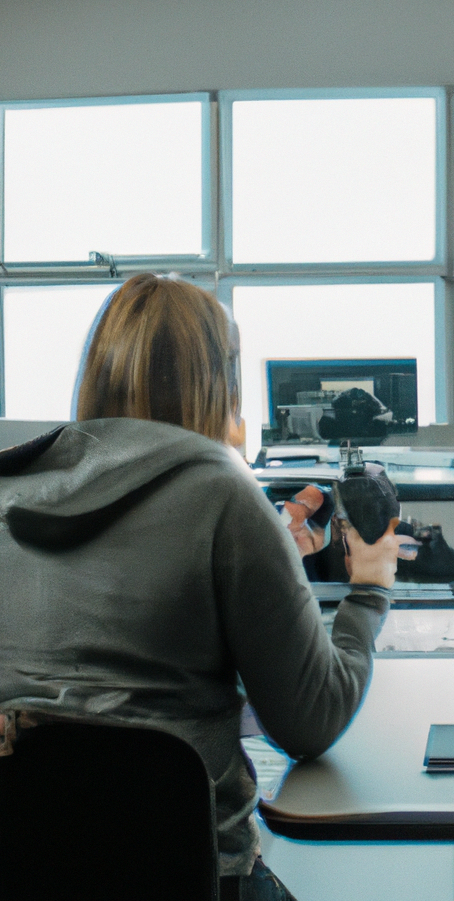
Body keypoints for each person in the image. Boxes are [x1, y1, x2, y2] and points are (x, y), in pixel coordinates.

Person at [0, 274, 399, 900]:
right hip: (194, 875)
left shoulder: (8, 486)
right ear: (222, 382)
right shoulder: (223, 494)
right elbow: (311, 721)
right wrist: (370, 588)